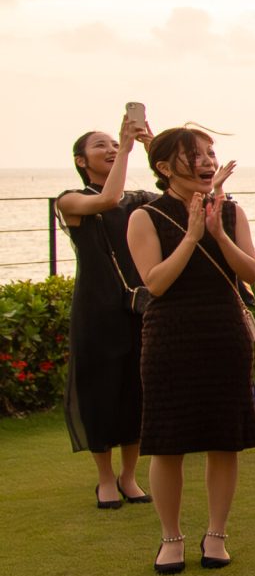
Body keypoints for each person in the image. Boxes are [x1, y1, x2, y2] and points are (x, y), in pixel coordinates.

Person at [125, 128, 255, 574]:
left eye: (209, 153)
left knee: (225, 439)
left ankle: (217, 533)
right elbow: (156, 283)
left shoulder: (231, 210)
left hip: (224, 332)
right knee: (168, 442)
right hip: (170, 336)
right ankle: (171, 537)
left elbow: (251, 273)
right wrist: (191, 235)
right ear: (164, 167)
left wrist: (218, 233)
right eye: (194, 155)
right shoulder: (145, 215)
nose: (207, 162)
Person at [58, 110, 155, 509]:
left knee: (136, 391)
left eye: (115, 143)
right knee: (99, 391)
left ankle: (129, 476)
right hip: (96, 310)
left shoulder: (139, 202)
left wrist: (151, 145)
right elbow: (106, 200)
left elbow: (178, 196)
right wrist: (127, 149)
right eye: (102, 145)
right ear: (81, 160)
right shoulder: (71, 200)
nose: (112, 148)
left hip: (137, 306)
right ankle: (104, 479)